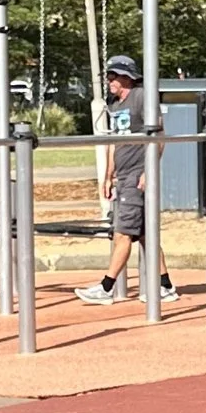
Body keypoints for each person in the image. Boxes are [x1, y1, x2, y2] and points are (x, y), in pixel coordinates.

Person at [73, 53, 174, 306]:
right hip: (123, 175)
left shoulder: (141, 97)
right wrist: (107, 176)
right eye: (108, 76)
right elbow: (112, 142)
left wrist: (148, 171)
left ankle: (107, 287)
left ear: (127, 77)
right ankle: (166, 286)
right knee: (144, 234)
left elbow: (158, 136)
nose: (109, 81)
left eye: (113, 76)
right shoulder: (115, 105)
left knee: (122, 233)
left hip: (137, 175)